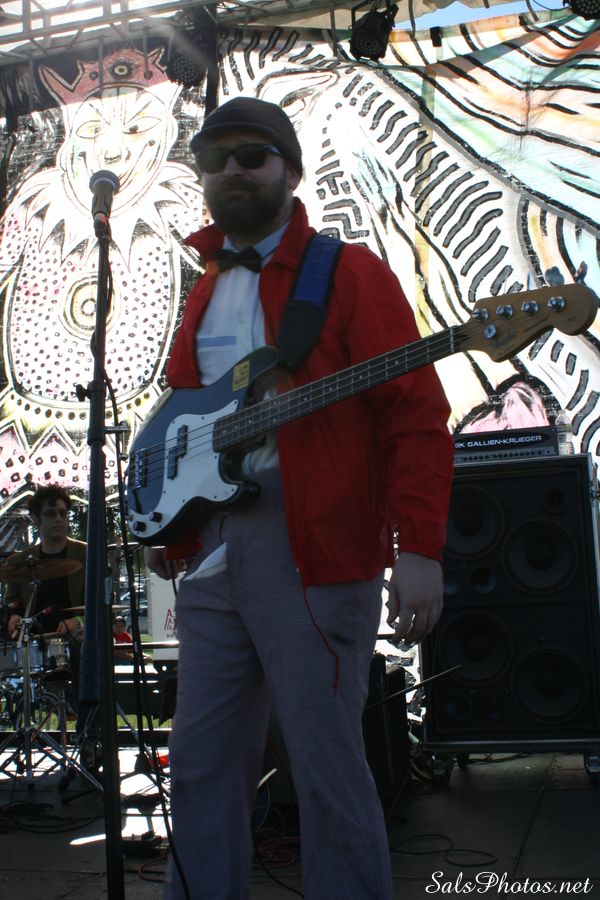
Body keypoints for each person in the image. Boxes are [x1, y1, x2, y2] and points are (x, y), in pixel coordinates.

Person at [145, 96, 454, 900]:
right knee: (200, 768)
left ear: (290, 170)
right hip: (215, 552)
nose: (232, 171)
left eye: (252, 156)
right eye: (215, 159)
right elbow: (185, 415)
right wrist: (171, 516)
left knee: (326, 769)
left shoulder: (347, 273)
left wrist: (419, 549)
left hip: (313, 547)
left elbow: (417, 417)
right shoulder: (204, 288)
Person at [5, 485, 86, 645]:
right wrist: (14, 617)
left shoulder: (87, 554)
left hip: (78, 643)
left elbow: (104, 605)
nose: (58, 518)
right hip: (34, 644)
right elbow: (11, 606)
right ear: (35, 518)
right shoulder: (18, 562)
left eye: (63, 513)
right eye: (50, 513)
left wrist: (80, 621)